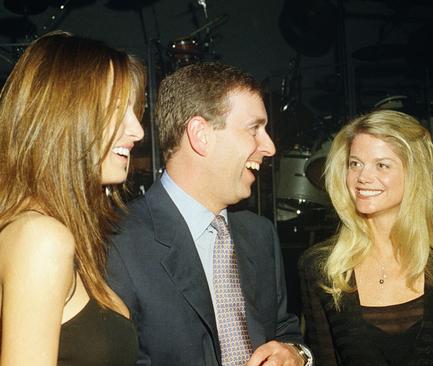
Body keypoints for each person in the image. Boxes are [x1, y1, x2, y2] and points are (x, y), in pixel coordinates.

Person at [106, 61, 311, 366]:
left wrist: (296, 355)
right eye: (254, 129)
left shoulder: (260, 234)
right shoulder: (115, 240)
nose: (269, 147)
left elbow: (284, 329)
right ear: (200, 134)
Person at [0, 31, 145, 365]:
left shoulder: (58, 234)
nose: (137, 131)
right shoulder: (41, 238)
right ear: (65, 116)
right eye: (118, 109)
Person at [299, 110, 433, 366]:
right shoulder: (324, 270)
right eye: (355, 164)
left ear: (415, 174)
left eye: (382, 165)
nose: (363, 177)